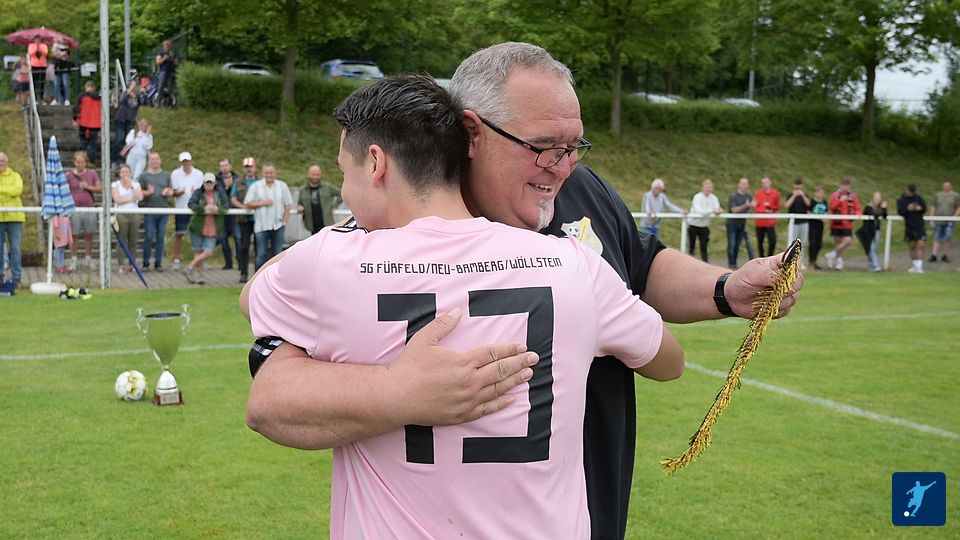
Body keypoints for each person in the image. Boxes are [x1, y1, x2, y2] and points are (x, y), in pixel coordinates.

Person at [242, 42, 803, 540]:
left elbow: (641, 261)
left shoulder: (576, 189)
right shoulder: (374, 233)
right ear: (471, 132)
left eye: (575, 145)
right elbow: (274, 392)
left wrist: (725, 289)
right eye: (544, 146)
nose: (563, 166)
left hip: (586, 506)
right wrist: (395, 390)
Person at [244, 163, 292, 271]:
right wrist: (262, 203)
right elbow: (247, 204)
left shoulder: (282, 186)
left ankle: (277, 278)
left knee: (278, 255)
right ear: (263, 173)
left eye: (271, 172)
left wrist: (284, 222)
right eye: (266, 173)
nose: (269, 175)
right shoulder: (256, 186)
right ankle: (257, 278)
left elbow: (288, 205)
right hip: (261, 227)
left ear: (275, 173)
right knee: (261, 255)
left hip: (278, 226)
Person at [183, 173, 229, 284]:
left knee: (208, 251)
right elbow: (191, 204)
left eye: (210, 183)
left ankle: (189, 267)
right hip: (198, 226)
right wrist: (204, 208)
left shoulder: (220, 193)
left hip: (213, 226)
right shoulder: (198, 193)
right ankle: (199, 276)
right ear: (203, 183)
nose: (208, 185)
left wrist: (218, 209)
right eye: (207, 183)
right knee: (198, 250)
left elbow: (226, 205)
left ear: (214, 183)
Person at [65, 151, 102, 272]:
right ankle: (73, 260)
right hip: (74, 208)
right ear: (74, 162)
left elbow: (100, 188)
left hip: (89, 208)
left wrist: (88, 187)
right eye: (78, 162)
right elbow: (63, 190)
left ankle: (88, 259)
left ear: (86, 163)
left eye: (82, 162)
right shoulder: (69, 175)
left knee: (89, 235)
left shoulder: (92, 173)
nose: (80, 164)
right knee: (73, 235)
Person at [139, 152, 174, 272]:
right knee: (148, 237)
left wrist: (168, 192)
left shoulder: (166, 175)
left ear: (160, 160)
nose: (154, 161)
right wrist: (148, 193)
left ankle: (158, 263)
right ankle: (145, 263)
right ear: (149, 161)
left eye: (156, 159)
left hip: (163, 210)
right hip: (150, 211)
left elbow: (171, 190)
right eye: (152, 159)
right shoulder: (144, 175)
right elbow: (139, 193)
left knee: (160, 237)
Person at [169, 151, 204, 271]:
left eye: (187, 161)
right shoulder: (175, 174)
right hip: (181, 209)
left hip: (195, 210)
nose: (186, 164)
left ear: (191, 161)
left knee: (198, 235)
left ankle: (199, 260)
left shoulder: (199, 174)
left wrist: (196, 193)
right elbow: (174, 191)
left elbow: (202, 192)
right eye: (183, 162)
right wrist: (178, 192)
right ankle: (176, 260)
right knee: (179, 234)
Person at [111, 164, 143, 274]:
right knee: (122, 240)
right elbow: (117, 199)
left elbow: (140, 197)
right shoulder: (115, 184)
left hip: (134, 214)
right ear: (119, 173)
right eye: (123, 172)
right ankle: (121, 264)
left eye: (127, 172)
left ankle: (132, 264)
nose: (125, 174)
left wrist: (131, 187)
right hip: (121, 214)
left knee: (133, 241)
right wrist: (131, 198)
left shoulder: (136, 184)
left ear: (130, 173)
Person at [231, 156, 259, 283]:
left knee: (259, 247)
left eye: (251, 167)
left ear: (255, 168)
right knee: (243, 247)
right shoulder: (238, 182)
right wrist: (243, 207)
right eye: (247, 167)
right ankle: (243, 273)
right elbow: (233, 198)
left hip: (259, 219)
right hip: (244, 219)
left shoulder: (261, 182)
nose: (249, 169)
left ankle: (258, 273)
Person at [0, 153, 25, 287]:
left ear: (7, 162)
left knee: (15, 248)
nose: (0, 163)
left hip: (14, 218)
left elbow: (17, 190)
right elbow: (11, 192)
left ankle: (16, 277)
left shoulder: (15, 176)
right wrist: (8, 192)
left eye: (2, 161)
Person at [825, 178, 861, 271]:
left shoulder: (852, 196)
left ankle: (832, 254)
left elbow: (857, 208)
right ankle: (838, 262)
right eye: (844, 186)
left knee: (848, 241)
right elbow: (832, 207)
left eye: (847, 186)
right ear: (841, 186)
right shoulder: (835, 195)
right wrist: (840, 201)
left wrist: (857, 214)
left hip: (847, 224)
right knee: (837, 242)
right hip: (836, 223)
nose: (845, 188)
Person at [297, 164, 342, 235]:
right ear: (308, 175)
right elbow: (300, 203)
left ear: (320, 175)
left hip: (327, 223)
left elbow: (341, 193)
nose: (315, 177)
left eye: (317, 175)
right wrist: (300, 207)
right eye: (313, 174)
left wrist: (335, 206)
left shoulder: (328, 187)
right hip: (311, 224)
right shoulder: (303, 190)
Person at [215, 158, 242, 270]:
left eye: (226, 165)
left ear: (230, 166)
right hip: (222, 215)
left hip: (235, 215)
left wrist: (231, 187)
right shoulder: (216, 180)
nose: (224, 168)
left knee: (238, 238)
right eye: (222, 166)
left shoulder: (238, 178)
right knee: (222, 239)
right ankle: (228, 262)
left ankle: (240, 262)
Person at [687, 179, 722, 262]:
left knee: (704, 247)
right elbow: (700, 212)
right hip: (693, 225)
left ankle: (705, 265)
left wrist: (717, 211)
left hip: (704, 226)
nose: (708, 189)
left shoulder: (714, 198)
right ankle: (689, 264)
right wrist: (712, 210)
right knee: (692, 247)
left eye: (710, 187)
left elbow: (717, 209)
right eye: (706, 187)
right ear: (702, 187)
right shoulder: (697, 197)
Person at [726, 176, 756, 268]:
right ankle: (731, 264)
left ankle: (734, 264)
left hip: (742, 224)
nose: (744, 186)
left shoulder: (749, 196)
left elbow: (752, 211)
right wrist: (745, 205)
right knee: (732, 245)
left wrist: (752, 206)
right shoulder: (733, 196)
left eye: (746, 184)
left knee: (738, 245)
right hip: (732, 224)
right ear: (739, 185)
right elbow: (734, 210)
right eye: (742, 183)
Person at [897, 184, 928, 273]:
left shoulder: (918, 198)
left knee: (921, 244)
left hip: (919, 225)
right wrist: (907, 209)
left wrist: (919, 208)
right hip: (909, 226)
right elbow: (900, 211)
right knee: (912, 245)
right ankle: (914, 265)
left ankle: (919, 266)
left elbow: (924, 208)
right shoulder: (901, 200)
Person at [73, 80, 102, 166]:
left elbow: (77, 108)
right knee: (93, 145)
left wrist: (75, 118)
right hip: (95, 124)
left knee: (83, 143)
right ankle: (91, 162)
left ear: (86, 87)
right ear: (94, 88)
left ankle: (82, 161)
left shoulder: (82, 96)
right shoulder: (99, 97)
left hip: (83, 122)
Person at [930, 180, 960, 263]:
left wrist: (954, 217)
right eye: (944, 186)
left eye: (947, 186)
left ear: (951, 186)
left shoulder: (955, 196)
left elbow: (958, 207)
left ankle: (945, 255)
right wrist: (932, 218)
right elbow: (933, 206)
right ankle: (934, 255)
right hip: (939, 220)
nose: (946, 187)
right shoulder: (938, 195)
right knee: (937, 237)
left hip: (949, 221)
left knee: (947, 238)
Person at [784, 177, 811, 269]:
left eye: (799, 186)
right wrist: (794, 196)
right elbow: (787, 205)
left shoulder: (805, 195)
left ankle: (801, 262)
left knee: (803, 243)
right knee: (792, 243)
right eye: (796, 186)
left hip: (804, 222)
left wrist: (802, 195)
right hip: (793, 223)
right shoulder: (790, 195)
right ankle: (790, 261)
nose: (798, 188)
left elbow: (808, 204)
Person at [111, 80, 140, 163]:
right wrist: (128, 93)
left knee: (128, 141)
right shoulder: (125, 93)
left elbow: (143, 102)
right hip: (121, 119)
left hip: (130, 120)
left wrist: (142, 93)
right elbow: (122, 102)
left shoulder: (138, 96)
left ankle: (125, 159)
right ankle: (113, 159)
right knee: (119, 138)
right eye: (132, 85)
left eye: (135, 85)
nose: (133, 87)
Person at [858, 192, 887, 272]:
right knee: (871, 248)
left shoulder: (880, 207)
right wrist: (882, 208)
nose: (877, 199)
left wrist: (884, 208)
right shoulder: (869, 207)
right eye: (876, 197)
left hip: (876, 230)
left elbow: (885, 216)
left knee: (873, 248)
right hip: (868, 230)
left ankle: (871, 264)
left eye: (878, 198)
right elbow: (874, 215)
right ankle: (876, 265)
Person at [754, 175, 780, 257]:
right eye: (763, 183)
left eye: (766, 182)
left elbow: (777, 207)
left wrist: (770, 208)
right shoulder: (758, 193)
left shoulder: (776, 194)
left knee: (772, 240)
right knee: (760, 241)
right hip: (760, 221)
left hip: (770, 222)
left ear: (770, 182)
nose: (765, 184)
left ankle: (769, 256)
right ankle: (761, 257)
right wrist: (764, 210)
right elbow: (756, 207)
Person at [808, 186, 828, 269]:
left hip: (820, 225)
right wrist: (818, 217)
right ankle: (811, 261)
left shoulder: (824, 202)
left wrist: (825, 218)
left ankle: (815, 260)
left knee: (818, 244)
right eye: (820, 193)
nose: (821, 194)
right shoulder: (812, 202)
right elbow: (808, 212)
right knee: (812, 243)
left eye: (822, 193)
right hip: (812, 224)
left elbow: (826, 212)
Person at [50, 37, 72, 106]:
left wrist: (58, 55)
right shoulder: (55, 47)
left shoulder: (66, 48)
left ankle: (67, 99)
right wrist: (59, 55)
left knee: (66, 84)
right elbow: (53, 55)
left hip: (65, 67)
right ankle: (57, 99)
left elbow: (65, 56)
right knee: (56, 84)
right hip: (57, 67)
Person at [27, 35, 48, 103]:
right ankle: (34, 98)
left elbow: (45, 53)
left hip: (42, 65)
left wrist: (40, 47)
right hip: (34, 65)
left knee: (42, 82)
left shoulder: (44, 45)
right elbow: (31, 53)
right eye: (36, 39)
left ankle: (41, 98)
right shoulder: (31, 45)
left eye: (39, 39)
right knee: (34, 82)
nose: (37, 40)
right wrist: (36, 47)